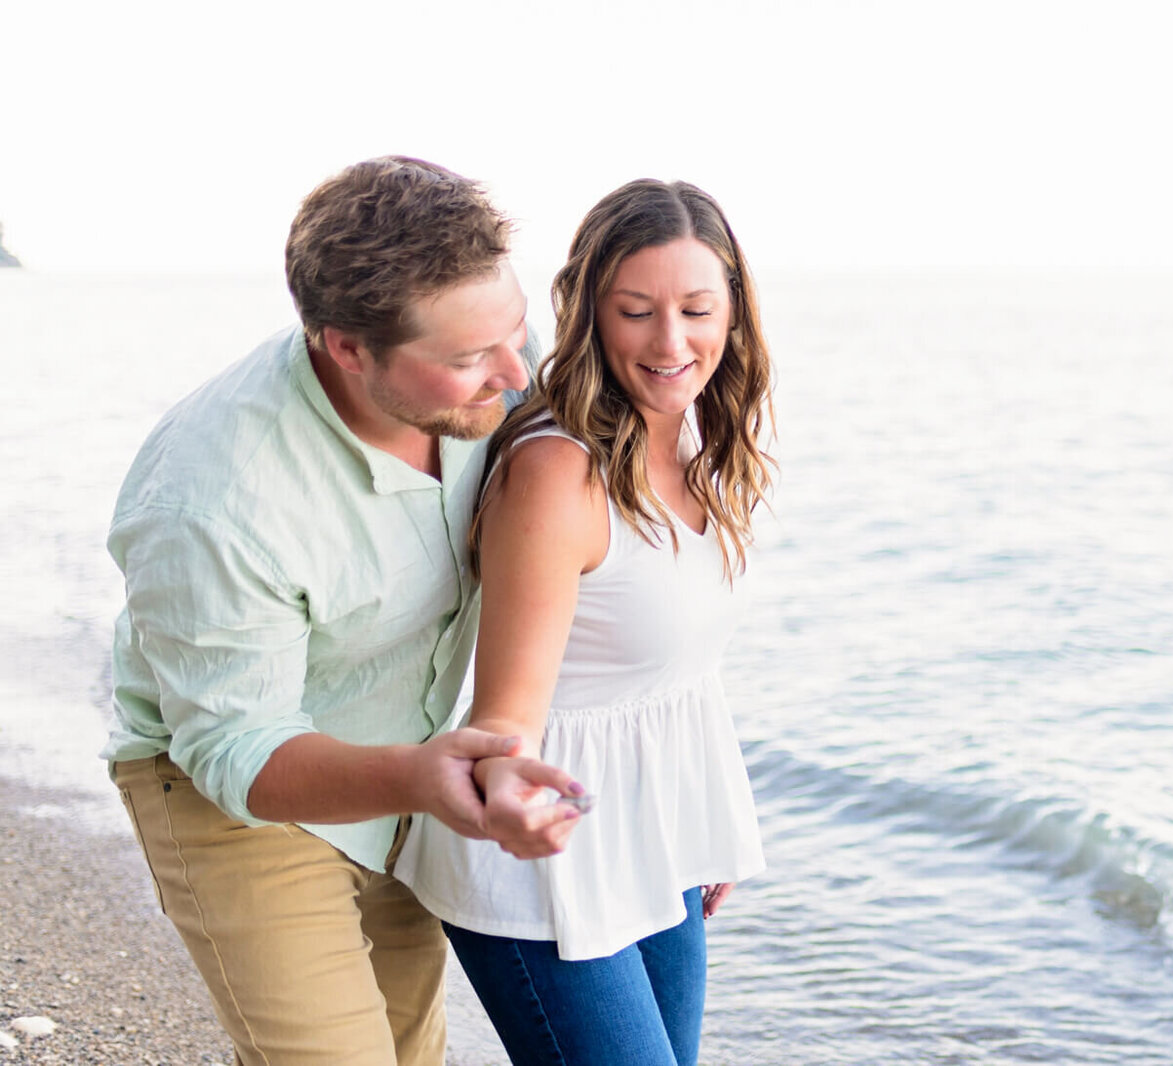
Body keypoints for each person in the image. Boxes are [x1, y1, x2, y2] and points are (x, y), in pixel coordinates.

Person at [102, 155, 586, 1066]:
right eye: (467, 360)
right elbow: (238, 751)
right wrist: (418, 777)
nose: (516, 374)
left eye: (515, 331)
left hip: (410, 760)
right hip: (237, 793)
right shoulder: (212, 499)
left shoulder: (489, 356)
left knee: (410, 1054)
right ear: (347, 347)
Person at [394, 179, 776, 1066]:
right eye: (636, 311)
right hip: (543, 860)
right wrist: (511, 793)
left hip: (659, 834)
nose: (671, 342)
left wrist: (703, 820)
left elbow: (679, 673)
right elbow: (507, 717)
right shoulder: (558, 474)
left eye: (696, 309)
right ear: (590, 312)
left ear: (734, 313)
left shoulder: (695, 437)